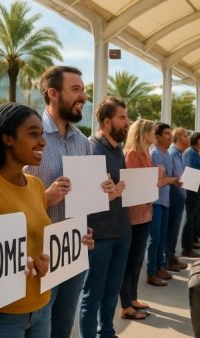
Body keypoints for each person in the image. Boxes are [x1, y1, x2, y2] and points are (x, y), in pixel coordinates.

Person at [0, 103, 91, 337]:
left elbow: (39, 238)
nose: (42, 142)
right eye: (33, 134)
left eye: (41, 134)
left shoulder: (37, 185)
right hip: (6, 314)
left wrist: (75, 241)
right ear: (8, 139)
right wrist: (19, 261)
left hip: (41, 306)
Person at [23, 65, 107, 338]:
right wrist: (44, 198)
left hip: (73, 250)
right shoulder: (29, 136)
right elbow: (11, 199)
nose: (83, 96)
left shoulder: (83, 142)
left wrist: (86, 227)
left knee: (62, 328)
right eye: (76, 89)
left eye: (83, 89)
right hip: (39, 256)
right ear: (53, 93)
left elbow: (82, 201)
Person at [79, 96, 131, 338]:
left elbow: (118, 187)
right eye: (122, 117)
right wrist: (106, 197)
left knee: (112, 290)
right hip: (98, 234)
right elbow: (81, 196)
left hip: (122, 230)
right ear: (107, 121)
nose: (127, 122)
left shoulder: (118, 149)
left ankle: (107, 333)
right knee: (92, 293)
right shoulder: (89, 148)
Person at [119, 118, 155, 320]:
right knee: (130, 260)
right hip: (134, 215)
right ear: (143, 133)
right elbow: (133, 185)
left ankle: (133, 297)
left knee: (138, 258)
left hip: (145, 212)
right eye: (152, 131)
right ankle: (126, 302)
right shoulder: (132, 154)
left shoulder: (146, 154)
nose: (154, 135)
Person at [147, 123, 180, 286]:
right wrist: (174, 180)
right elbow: (159, 180)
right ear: (158, 136)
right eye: (166, 133)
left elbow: (172, 176)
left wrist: (176, 180)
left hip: (165, 200)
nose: (170, 136)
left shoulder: (167, 153)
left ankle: (160, 266)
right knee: (155, 238)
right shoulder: (155, 154)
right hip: (156, 201)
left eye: (170, 133)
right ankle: (151, 271)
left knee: (162, 236)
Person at [181, 132, 200, 258]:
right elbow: (191, 172)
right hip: (192, 189)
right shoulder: (190, 153)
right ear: (198, 141)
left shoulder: (196, 153)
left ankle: (192, 240)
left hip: (197, 189)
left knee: (195, 216)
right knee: (190, 217)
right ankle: (187, 247)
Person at [166, 127, 190, 271]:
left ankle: (171, 256)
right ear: (179, 138)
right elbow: (173, 175)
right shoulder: (173, 153)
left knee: (174, 228)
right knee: (171, 228)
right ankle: (168, 258)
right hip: (173, 194)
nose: (188, 138)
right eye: (186, 135)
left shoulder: (180, 154)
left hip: (179, 194)